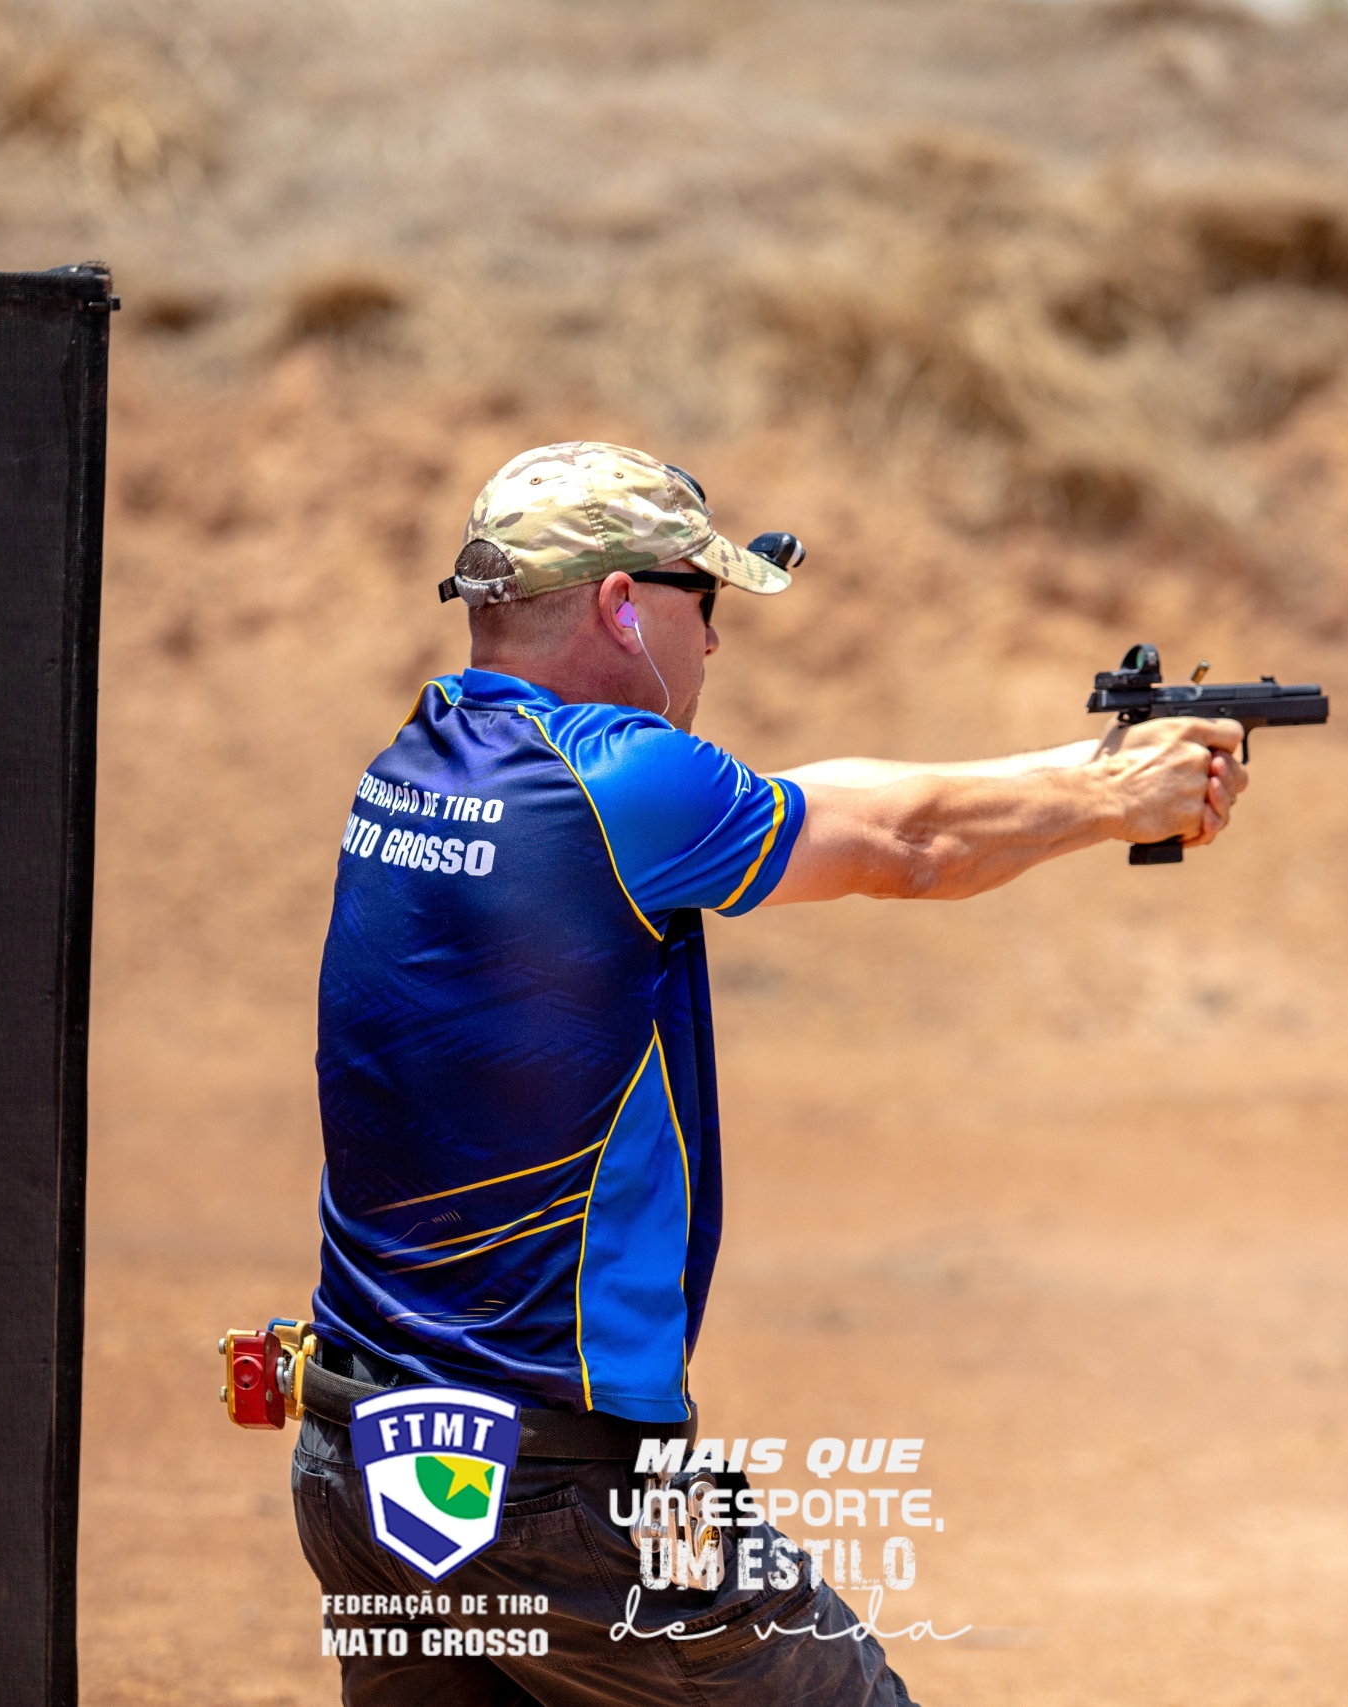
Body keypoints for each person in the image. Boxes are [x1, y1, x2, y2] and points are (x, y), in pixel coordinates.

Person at [291, 442, 1246, 1704]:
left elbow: (818, 795)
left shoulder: (419, 761)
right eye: (704, 599)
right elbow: (906, 843)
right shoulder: (614, 780)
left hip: (357, 1455)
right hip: (556, 1492)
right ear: (622, 606)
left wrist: (1090, 771)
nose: (713, 640)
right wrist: (1119, 802)